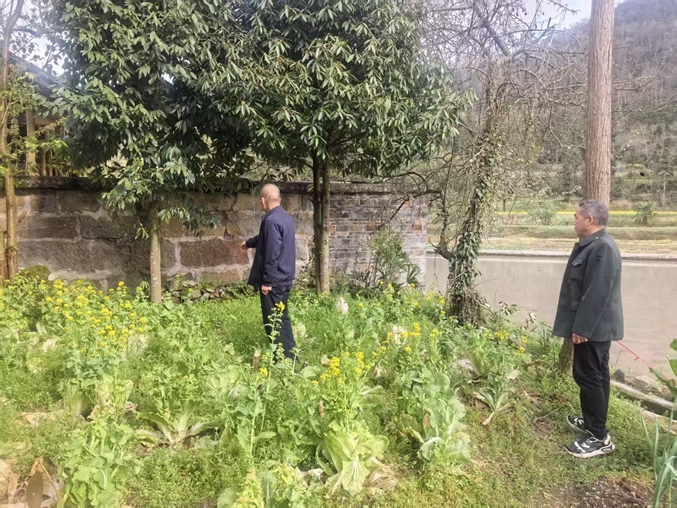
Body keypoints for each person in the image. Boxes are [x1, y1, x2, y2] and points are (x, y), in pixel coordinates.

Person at [553, 199, 623, 458]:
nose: (574, 221)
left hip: (593, 327)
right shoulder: (596, 244)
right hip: (596, 326)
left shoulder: (602, 247)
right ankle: (594, 422)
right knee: (596, 375)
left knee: (587, 376)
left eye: (576, 216)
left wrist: (582, 328)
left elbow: (597, 293)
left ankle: (598, 437)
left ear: (589, 220)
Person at [240, 184, 297, 359]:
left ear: (263, 201)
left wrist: (267, 281)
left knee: (273, 321)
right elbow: (266, 239)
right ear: (279, 199)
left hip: (275, 281)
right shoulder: (284, 217)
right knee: (281, 318)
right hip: (284, 277)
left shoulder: (271, 220)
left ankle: (283, 359)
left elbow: (272, 253)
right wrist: (249, 243)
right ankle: (290, 356)